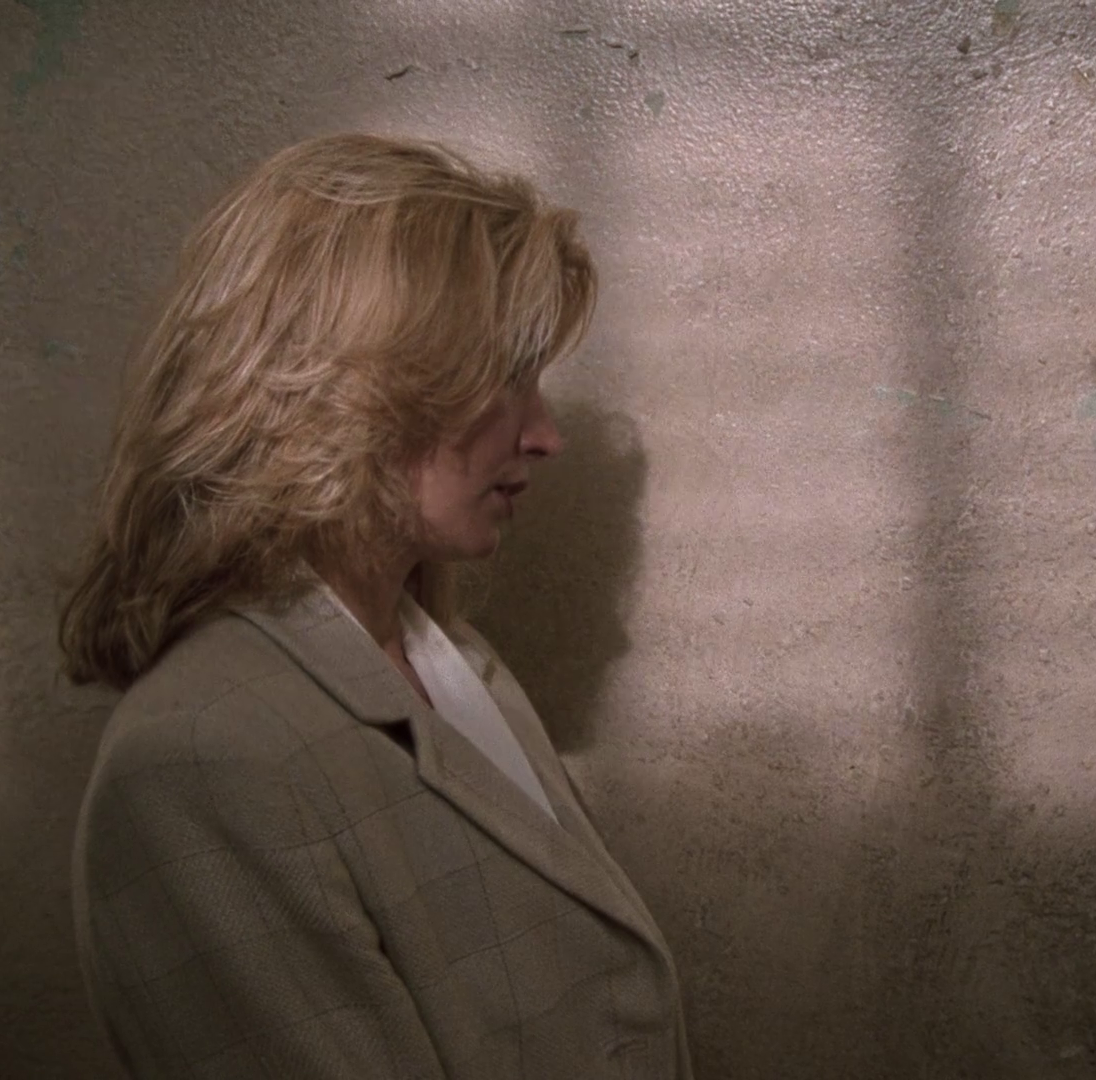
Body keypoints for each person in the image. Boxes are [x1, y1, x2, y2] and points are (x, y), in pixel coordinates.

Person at [60, 133, 692, 1078]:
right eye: (507, 376)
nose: (545, 434)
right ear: (356, 386)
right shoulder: (199, 763)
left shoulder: (446, 659)